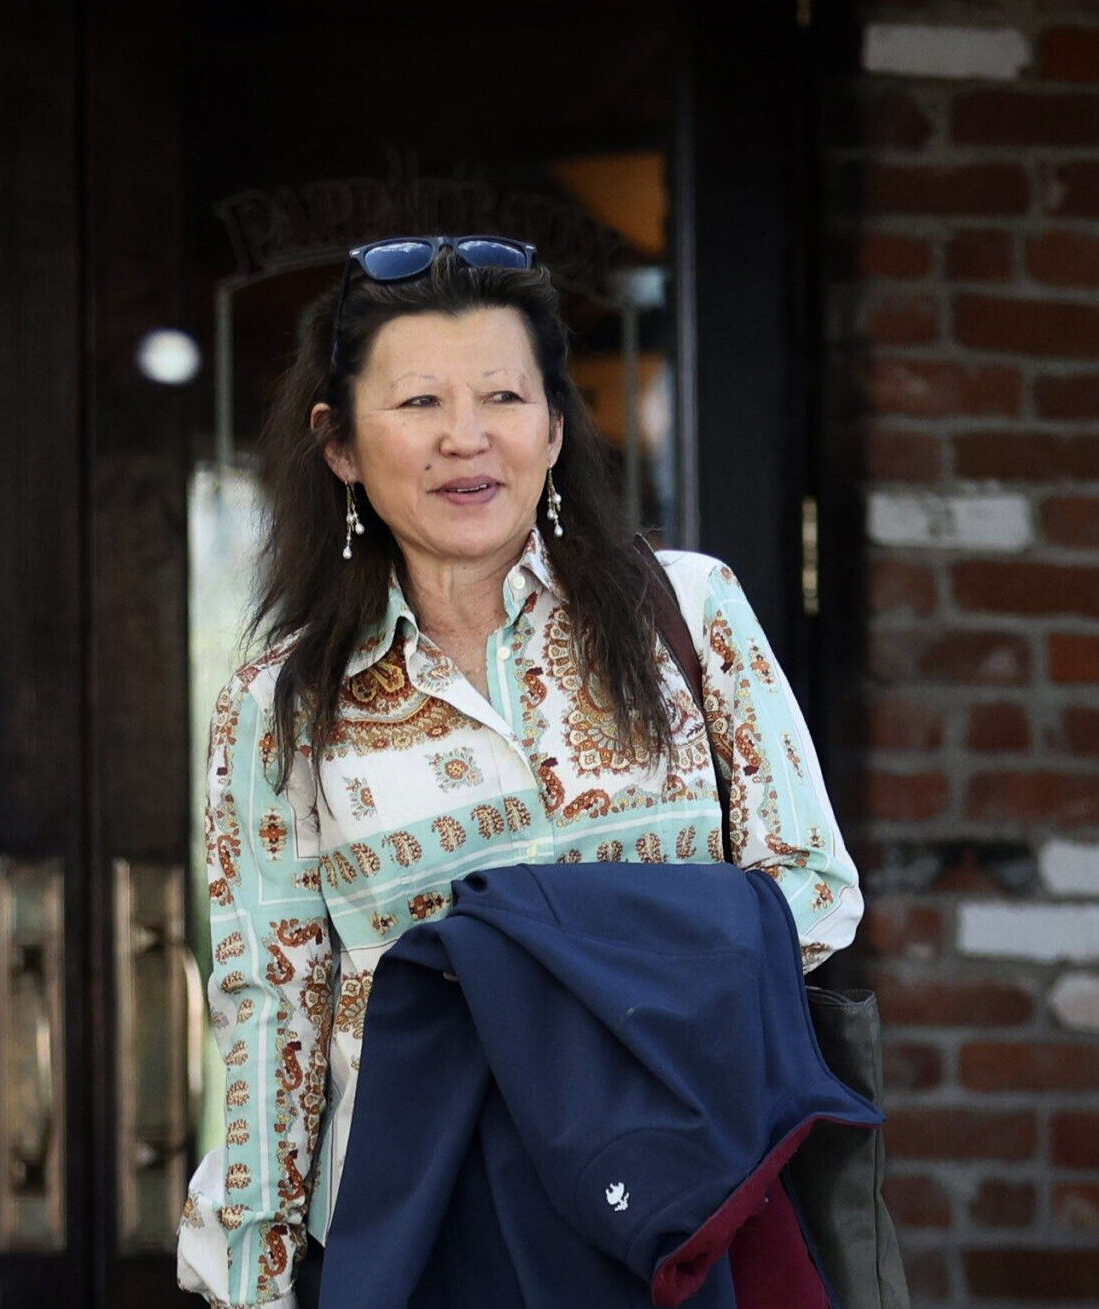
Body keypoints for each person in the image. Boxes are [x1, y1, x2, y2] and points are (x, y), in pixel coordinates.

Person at [174, 236, 862, 1309]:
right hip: (428, 1227)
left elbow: (814, 891)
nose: (466, 437)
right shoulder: (280, 704)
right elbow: (273, 1011)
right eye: (417, 404)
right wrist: (255, 1282)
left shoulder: (688, 611)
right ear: (341, 444)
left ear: (552, 424)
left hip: (688, 1204)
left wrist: (516, 970)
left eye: (504, 394)